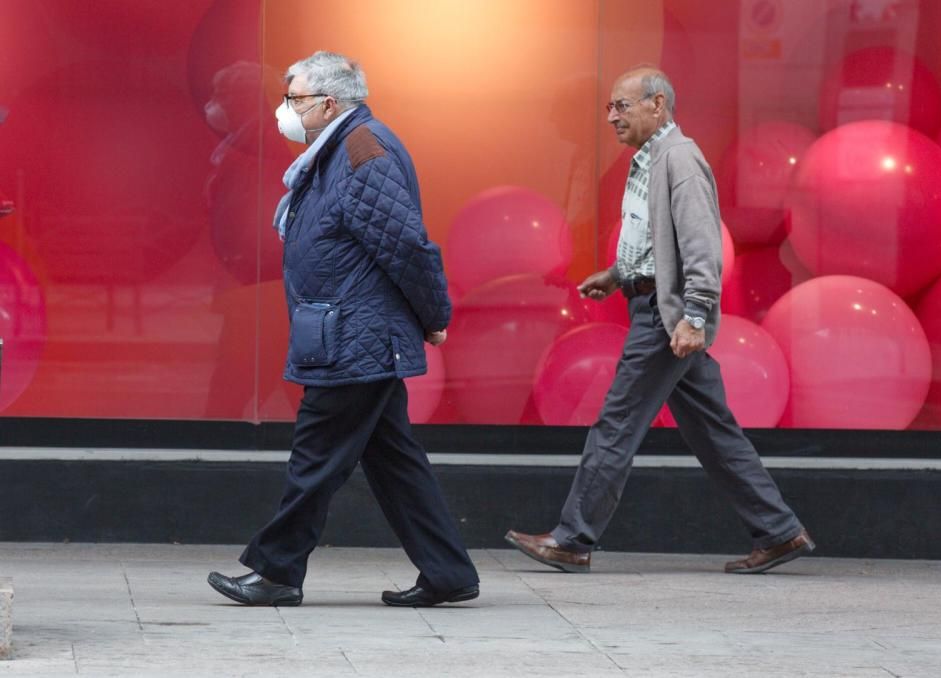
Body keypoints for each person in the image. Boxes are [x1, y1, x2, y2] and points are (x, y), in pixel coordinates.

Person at [505, 67, 814, 575]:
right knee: (714, 430)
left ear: (658, 105)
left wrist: (693, 316)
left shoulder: (681, 160)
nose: (611, 117)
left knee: (616, 423)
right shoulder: (652, 158)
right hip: (656, 307)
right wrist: (618, 275)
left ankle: (572, 538)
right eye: (610, 107)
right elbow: (655, 245)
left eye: (621, 106)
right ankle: (779, 531)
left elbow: (702, 247)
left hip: (665, 320)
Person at [208, 51, 479, 607]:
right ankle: (448, 572)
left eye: (295, 99)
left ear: (329, 103)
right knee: (395, 460)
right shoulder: (332, 151)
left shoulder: (362, 151)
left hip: (356, 336)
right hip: (347, 331)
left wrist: (435, 316)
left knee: (316, 453)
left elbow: (405, 244)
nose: (285, 110)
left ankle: (277, 570)